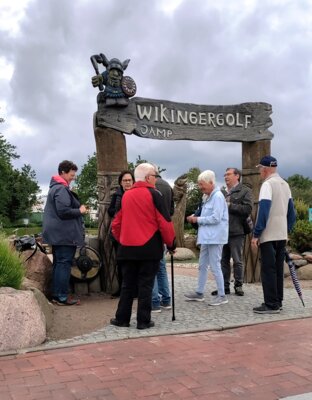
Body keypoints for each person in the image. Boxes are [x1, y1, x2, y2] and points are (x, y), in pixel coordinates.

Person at [110, 163, 176, 329]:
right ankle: (143, 321)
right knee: (145, 285)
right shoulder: (155, 194)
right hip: (149, 247)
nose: (156, 178)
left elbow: (116, 224)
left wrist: (122, 239)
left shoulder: (127, 195)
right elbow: (165, 222)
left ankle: (122, 319)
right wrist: (171, 243)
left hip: (127, 248)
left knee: (127, 285)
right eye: (155, 175)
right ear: (148, 178)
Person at [251, 155, 296, 314]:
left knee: (268, 269)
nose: (260, 172)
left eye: (260, 169)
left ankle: (271, 304)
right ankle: (278, 300)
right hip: (281, 234)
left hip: (268, 234)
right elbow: (292, 213)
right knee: (277, 268)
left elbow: (263, 212)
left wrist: (256, 235)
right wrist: (287, 229)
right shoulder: (285, 184)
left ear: (265, 169)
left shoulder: (267, 185)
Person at [42, 160, 87, 305]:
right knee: (64, 264)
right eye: (72, 174)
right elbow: (63, 211)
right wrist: (80, 210)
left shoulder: (56, 187)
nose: (73, 177)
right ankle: (61, 296)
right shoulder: (61, 189)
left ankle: (57, 294)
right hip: (64, 234)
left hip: (58, 234)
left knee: (59, 263)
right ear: (63, 172)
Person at [185, 170, 229, 306]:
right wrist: (196, 217)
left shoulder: (217, 197)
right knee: (202, 265)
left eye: (202, 185)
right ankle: (199, 292)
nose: (200, 187)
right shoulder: (207, 197)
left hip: (215, 237)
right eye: (199, 185)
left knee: (215, 265)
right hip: (207, 237)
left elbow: (216, 218)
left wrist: (197, 219)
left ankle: (222, 295)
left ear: (211, 183)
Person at [211, 168, 252, 297]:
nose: (225, 177)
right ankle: (225, 287)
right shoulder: (221, 192)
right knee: (223, 260)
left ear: (237, 176)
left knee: (237, 260)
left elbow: (247, 209)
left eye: (228, 174)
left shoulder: (245, 191)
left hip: (237, 231)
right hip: (222, 232)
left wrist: (229, 205)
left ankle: (238, 286)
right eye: (224, 175)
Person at [108, 170, 135, 297]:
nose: (127, 182)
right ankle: (123, 289)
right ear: (120, 182)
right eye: (125, 180)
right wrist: (121, 211)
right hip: (119, 233)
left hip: (134, 233)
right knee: (121, 263)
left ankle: (135, 290)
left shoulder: (137, 194)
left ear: (133, 181)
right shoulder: (117, 195)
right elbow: (110, 211)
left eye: (129, 180)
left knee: (134, 263)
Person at [152, 170, 175, 313]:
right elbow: (171, 210)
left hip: (152, 232)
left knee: (152, 269)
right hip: (164, 230)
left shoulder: (150, 188)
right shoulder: (167, 186)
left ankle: (154, 301)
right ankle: (166, 300)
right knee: (161, 268)